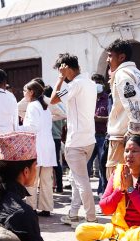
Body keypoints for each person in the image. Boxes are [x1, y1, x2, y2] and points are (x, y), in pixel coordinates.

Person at [75, 134, 140, 241]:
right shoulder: (118, 173)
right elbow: (105, 208)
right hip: (118, 229)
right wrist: (120, 190)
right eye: (127, 151)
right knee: (81, 231)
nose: (129, 155)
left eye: (134, 151)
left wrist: (131, 190)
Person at [50, 53, 98, 227]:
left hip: (76, 141)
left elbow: (53, 99)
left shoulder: (75, 84)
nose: (62, 73)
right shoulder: (91, 83)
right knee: (77, 180)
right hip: (89, 140)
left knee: (81, 181)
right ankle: (72, 214)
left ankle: (91, 218)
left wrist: (60, 78)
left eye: (62, 70)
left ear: (67, 68)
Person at [105, 39, 140, 179]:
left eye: (110, 55)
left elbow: (134, 103)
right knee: (133, 180)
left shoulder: (122, 74)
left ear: (121, 57)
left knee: (117, 181)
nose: (107, 59)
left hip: (124, 138)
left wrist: (131, 132)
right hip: (139, 137)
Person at [18, 80, 57, 217]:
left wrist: (17, 128)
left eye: (25, 91)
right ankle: (46, 208)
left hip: (36, 146)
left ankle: (31, 207)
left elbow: (33, 128)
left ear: (31, 92)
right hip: (47, 146)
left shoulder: (32, 106)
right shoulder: (45, 106)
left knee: (32, 179)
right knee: (46, 180)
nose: (24, 94)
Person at [88, 73, 109, 195]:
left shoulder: (108, 99)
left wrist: (97, 118)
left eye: (98, 82)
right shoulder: (89, 99)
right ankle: (84, 193)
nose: (96, 85)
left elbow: (111, 117)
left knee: (102, 165)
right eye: (93, 82)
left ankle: (102, 192)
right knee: (86, 165)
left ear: (103, 83)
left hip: (102, 136)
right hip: (90, 136)